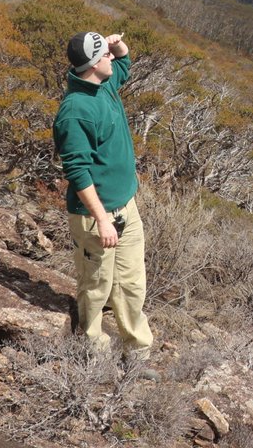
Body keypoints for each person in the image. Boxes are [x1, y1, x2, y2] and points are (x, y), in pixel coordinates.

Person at [53, 30, 154, 363]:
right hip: (96, 216)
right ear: (94, 65)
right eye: (104, 55)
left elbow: (124, 60)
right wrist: (102, 219)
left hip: (126, 206)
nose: (111, 58)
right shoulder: (75, 111)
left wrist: (114, 44)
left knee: (131, 285)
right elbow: (77, 172)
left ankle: (137, 353)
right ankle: (93, 352)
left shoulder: (105, 84)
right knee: (96, 287)